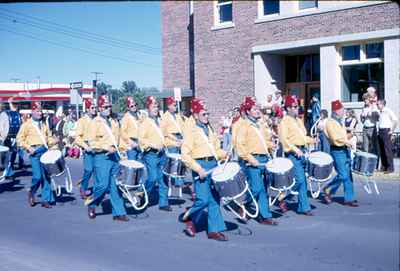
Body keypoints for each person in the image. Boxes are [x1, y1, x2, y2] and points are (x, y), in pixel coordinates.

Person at [181, 98, 228, 241]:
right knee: (202, 199)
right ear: (195, 115)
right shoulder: (191, 130)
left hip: (213, 165)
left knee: (214, 198)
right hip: (201, 166)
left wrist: (225, 154)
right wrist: (198, 168)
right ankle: (188, 216)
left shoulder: (209, 128)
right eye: (203, 114)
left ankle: (214, 230)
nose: (207, 116)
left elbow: (215, 150)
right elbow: (185, 154)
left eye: (207, 114)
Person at [85, 95, 128, 221]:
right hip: (101, 156)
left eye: (109, 106)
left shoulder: (114, 121)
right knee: (103, 185)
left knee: (116, 185)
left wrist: (123, 150)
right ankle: (92, 203)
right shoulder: (94, 123)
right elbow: (91, 143)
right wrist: (105, 147)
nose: (108, 109)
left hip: (114, 156)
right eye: (105, 107)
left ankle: (119, 213)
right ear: (99, 108)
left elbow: (119, 139)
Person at [236, 96, 278, 225]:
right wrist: (250, 159)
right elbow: (240, 145)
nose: (257, 111)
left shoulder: (259, 124)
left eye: (257, 108)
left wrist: (271, 145)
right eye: (254, 109)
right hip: (252, 160)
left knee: (263, 189)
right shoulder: (244, 125)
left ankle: (265, 216)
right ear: (248, 111)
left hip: (263, 158)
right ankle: (243, 203)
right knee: (256, 188)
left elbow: (262, 141)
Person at [278, 95, 315, 216]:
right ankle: (282, 198)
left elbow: (302, 137)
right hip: (292, 154)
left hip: (302, 151)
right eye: (294, 106)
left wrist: (312, 140)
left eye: (297, 106)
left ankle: (304, 207)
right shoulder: (284, 122)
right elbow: (284, 140)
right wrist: (294, 150)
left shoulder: (299, 120)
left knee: (302, 180)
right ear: (288, 108)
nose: (296, 108)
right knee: (298, 180)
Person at [16, 101, 57, 208]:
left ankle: (45, 200)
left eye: (41, 111)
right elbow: (19, 139)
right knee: (37, 176)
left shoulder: (44, 124)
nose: (40, 113)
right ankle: (32, 192)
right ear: (33, 111)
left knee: (46, 176)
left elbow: (48, 138)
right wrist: (28, 147)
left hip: (44, 151)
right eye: (38, 111)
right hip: (34, 153)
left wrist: (54, 141)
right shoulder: (26, 125)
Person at [323, 100, 358, 207]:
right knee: (343, 174)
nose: (343, 112)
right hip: (337, 150)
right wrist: (346, 141)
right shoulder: (329, 123)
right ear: (336, 111)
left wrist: (349, 136)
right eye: (341, 110)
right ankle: (328, 189)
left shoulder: (340, 122)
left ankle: (349, 198)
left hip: (344, 149)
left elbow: (341, 137)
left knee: (348, 175)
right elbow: (334, 138)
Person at [139, 96, 171, 211]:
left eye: (157, 106)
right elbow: (141, 140)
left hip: (162, 154)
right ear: (148, 108)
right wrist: (152, 145)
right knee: (152, 178)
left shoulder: (160, 121)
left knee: (163, 178)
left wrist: (175, 142)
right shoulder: (145, 123)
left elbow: (165, 136)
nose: (156, 109)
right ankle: (143, 195)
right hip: (151, 154)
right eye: (153, 107)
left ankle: (163, 203)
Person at [160, 96, 186, 187]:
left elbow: (183, 127)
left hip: (180, 139)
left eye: (176, 105)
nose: (176, 107)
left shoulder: (177, 116)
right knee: (173, 162)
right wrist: (176, 140)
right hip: (171, 140)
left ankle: (179, 179)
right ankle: (172, 180)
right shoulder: (165, 117)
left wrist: (183, 138)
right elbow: (164, 132)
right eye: (174, 105)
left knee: (181, 160)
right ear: (169, 106)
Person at [74, 98, 97, 199]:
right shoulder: (82, 121)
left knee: (98, 171)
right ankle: (83, 187)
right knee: (88, 170)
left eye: (95, 107)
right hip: (88, 148)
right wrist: (85, 146)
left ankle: (97, 191)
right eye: (92, 108)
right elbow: (77, 137)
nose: (94, 109)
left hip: (98, 148)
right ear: (87, 109)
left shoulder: (98, 119)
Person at [0, 98, 22, 179]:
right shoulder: (4, 114)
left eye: (16, 104)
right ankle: (8, 171)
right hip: (5, 138)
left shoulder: (17, 114)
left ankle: (9, 172)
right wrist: (2, 136)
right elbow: (1, 127)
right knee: (6, 156)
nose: (15, 105)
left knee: (11, 155)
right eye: (13, 104)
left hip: (14, 137)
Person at [377, 100, 398, 173]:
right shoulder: (379, 112)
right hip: (380, 131)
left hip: (386, 131)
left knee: (387, 150)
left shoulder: (388, 111)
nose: (377, 105)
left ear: (382, 104)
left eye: (378, 104)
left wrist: (392, 130)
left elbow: (395, 120)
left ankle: (390, 168)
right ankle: (383, 167)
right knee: (382, 150)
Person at [120, 96, 141, 161]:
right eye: (132, 106)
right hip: (132, 145)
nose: (134, 107)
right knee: (132, 166)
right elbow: (122, 133)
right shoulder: (126, 118)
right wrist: (130, 142)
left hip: (140, 143)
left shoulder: (139, 115)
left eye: (135, 105)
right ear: (128, 108)